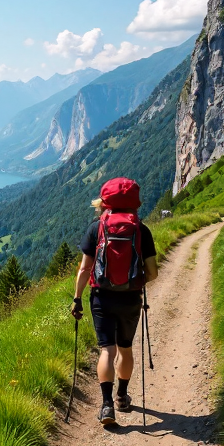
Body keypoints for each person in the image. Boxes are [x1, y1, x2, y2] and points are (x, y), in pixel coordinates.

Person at [70, 178, 158, 425]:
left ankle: (107, 406)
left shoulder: (96, 227)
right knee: (125, 349)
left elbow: (84, 269)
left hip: (102, 297)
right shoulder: (141, 230)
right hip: (130, 298)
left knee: (107, 350)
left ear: (104, 202)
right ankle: (122, 396)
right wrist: (137, 282)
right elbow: (153, 272)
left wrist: (77, 298)